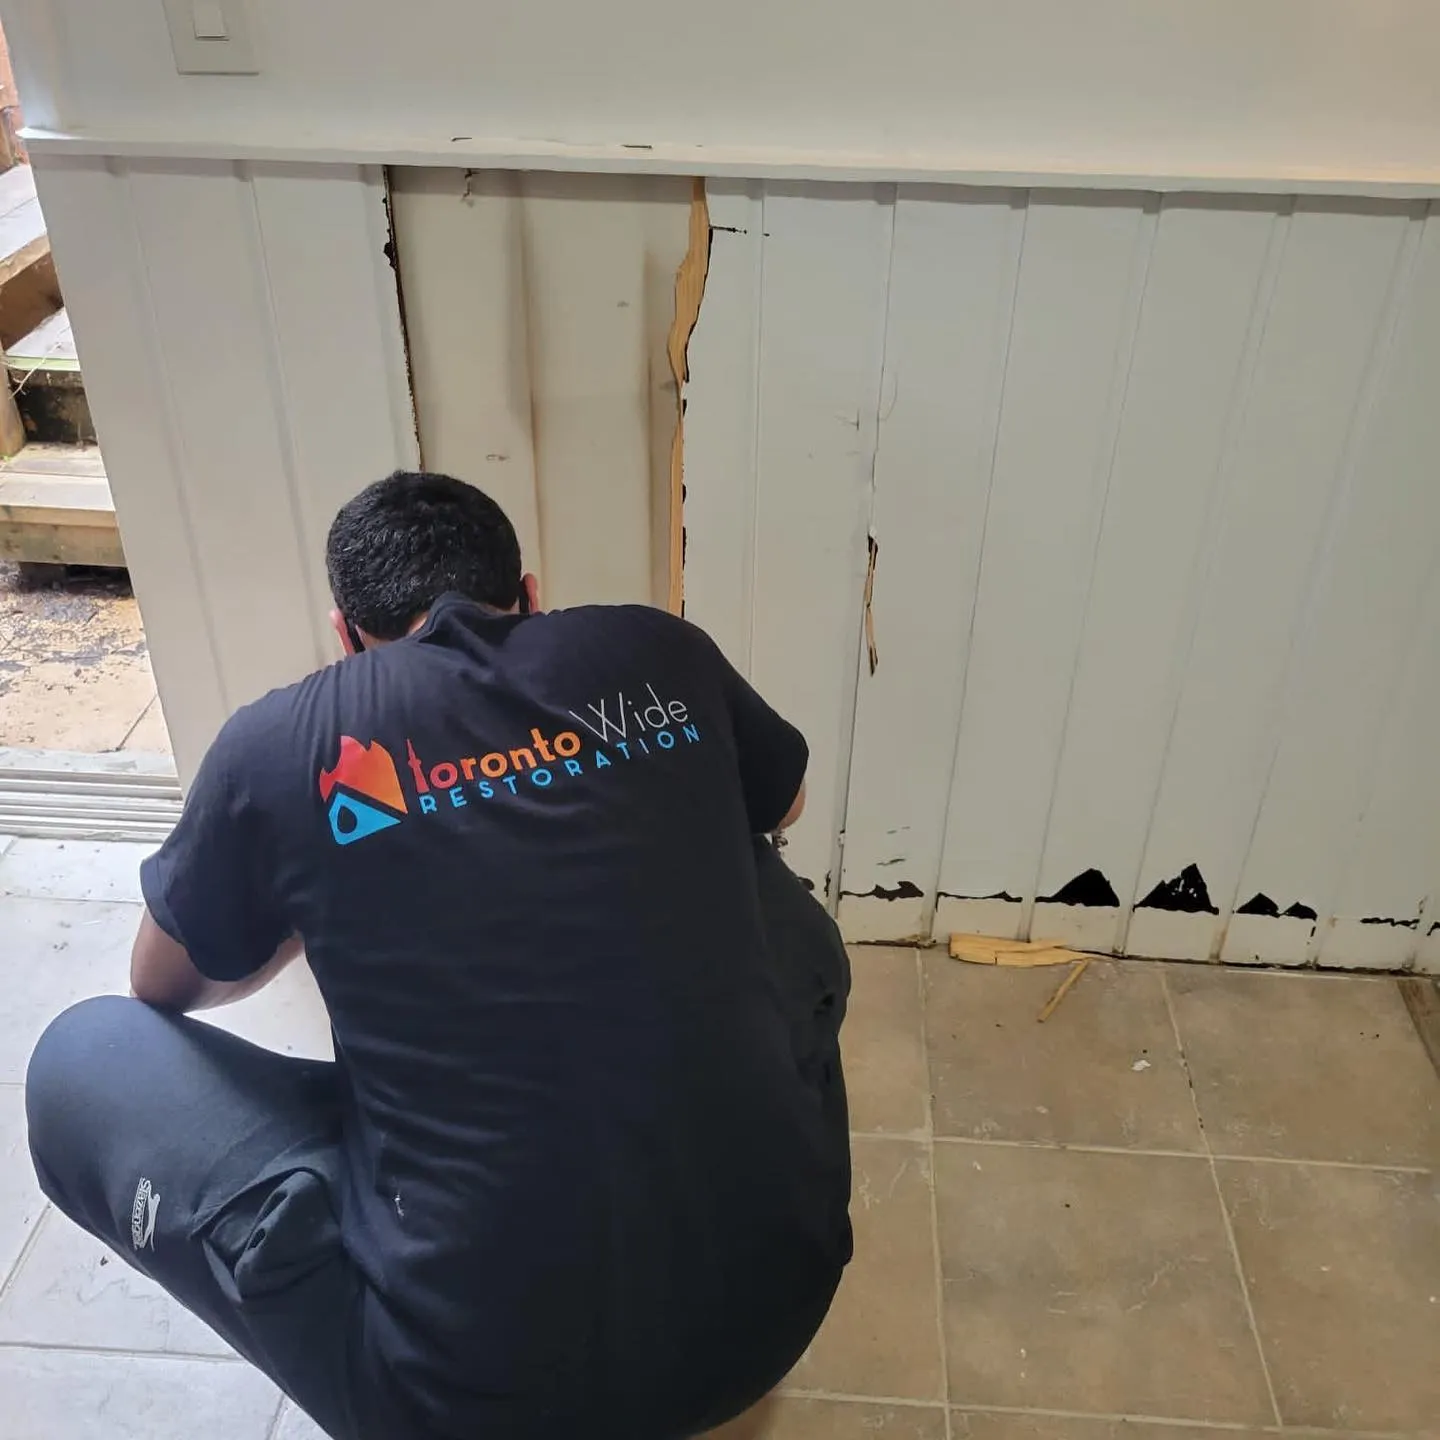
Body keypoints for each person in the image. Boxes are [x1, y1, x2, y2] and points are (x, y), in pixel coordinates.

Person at [25, 471, 852, 1440]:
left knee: (82, 1057)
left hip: (468, 1403)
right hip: (771, 1315)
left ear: (343, 634)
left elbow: (157, 983)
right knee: (765, 889)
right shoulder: (656, 646)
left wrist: (310, 893)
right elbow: (784, 804)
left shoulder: (285, 743)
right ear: (531, 598)